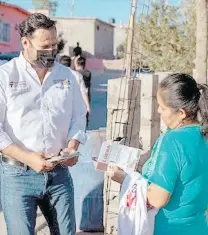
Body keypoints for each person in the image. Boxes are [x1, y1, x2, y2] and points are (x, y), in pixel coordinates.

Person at [0, 13, 87, 235]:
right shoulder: (5, 76)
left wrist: (72, 147)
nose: (51, 51)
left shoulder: (67, 76)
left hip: (59, 175)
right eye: (45, 46)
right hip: (17, 176)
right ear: (26, 43)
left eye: (54, 45)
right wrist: (28, 158)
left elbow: (78, 117)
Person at [108, 73, 208, 235]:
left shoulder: (173, 139)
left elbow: (157, 199)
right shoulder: (203, 134)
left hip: (169, 228)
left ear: (181, 112)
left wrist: (126, 179)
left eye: (162, 107)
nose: (158, 111)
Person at [59, 55, 91, 125]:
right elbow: (83, 92)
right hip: (75, 107)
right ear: (70, 64)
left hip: (61, 108)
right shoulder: (77, 75)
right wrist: (87, 106)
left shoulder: (56, 75)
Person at [74, 56, 91, 126]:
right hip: (86, 96)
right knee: (85, 114)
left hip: (77, 97)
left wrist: (75, 61)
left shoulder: (74, 73)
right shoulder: (88, 73)